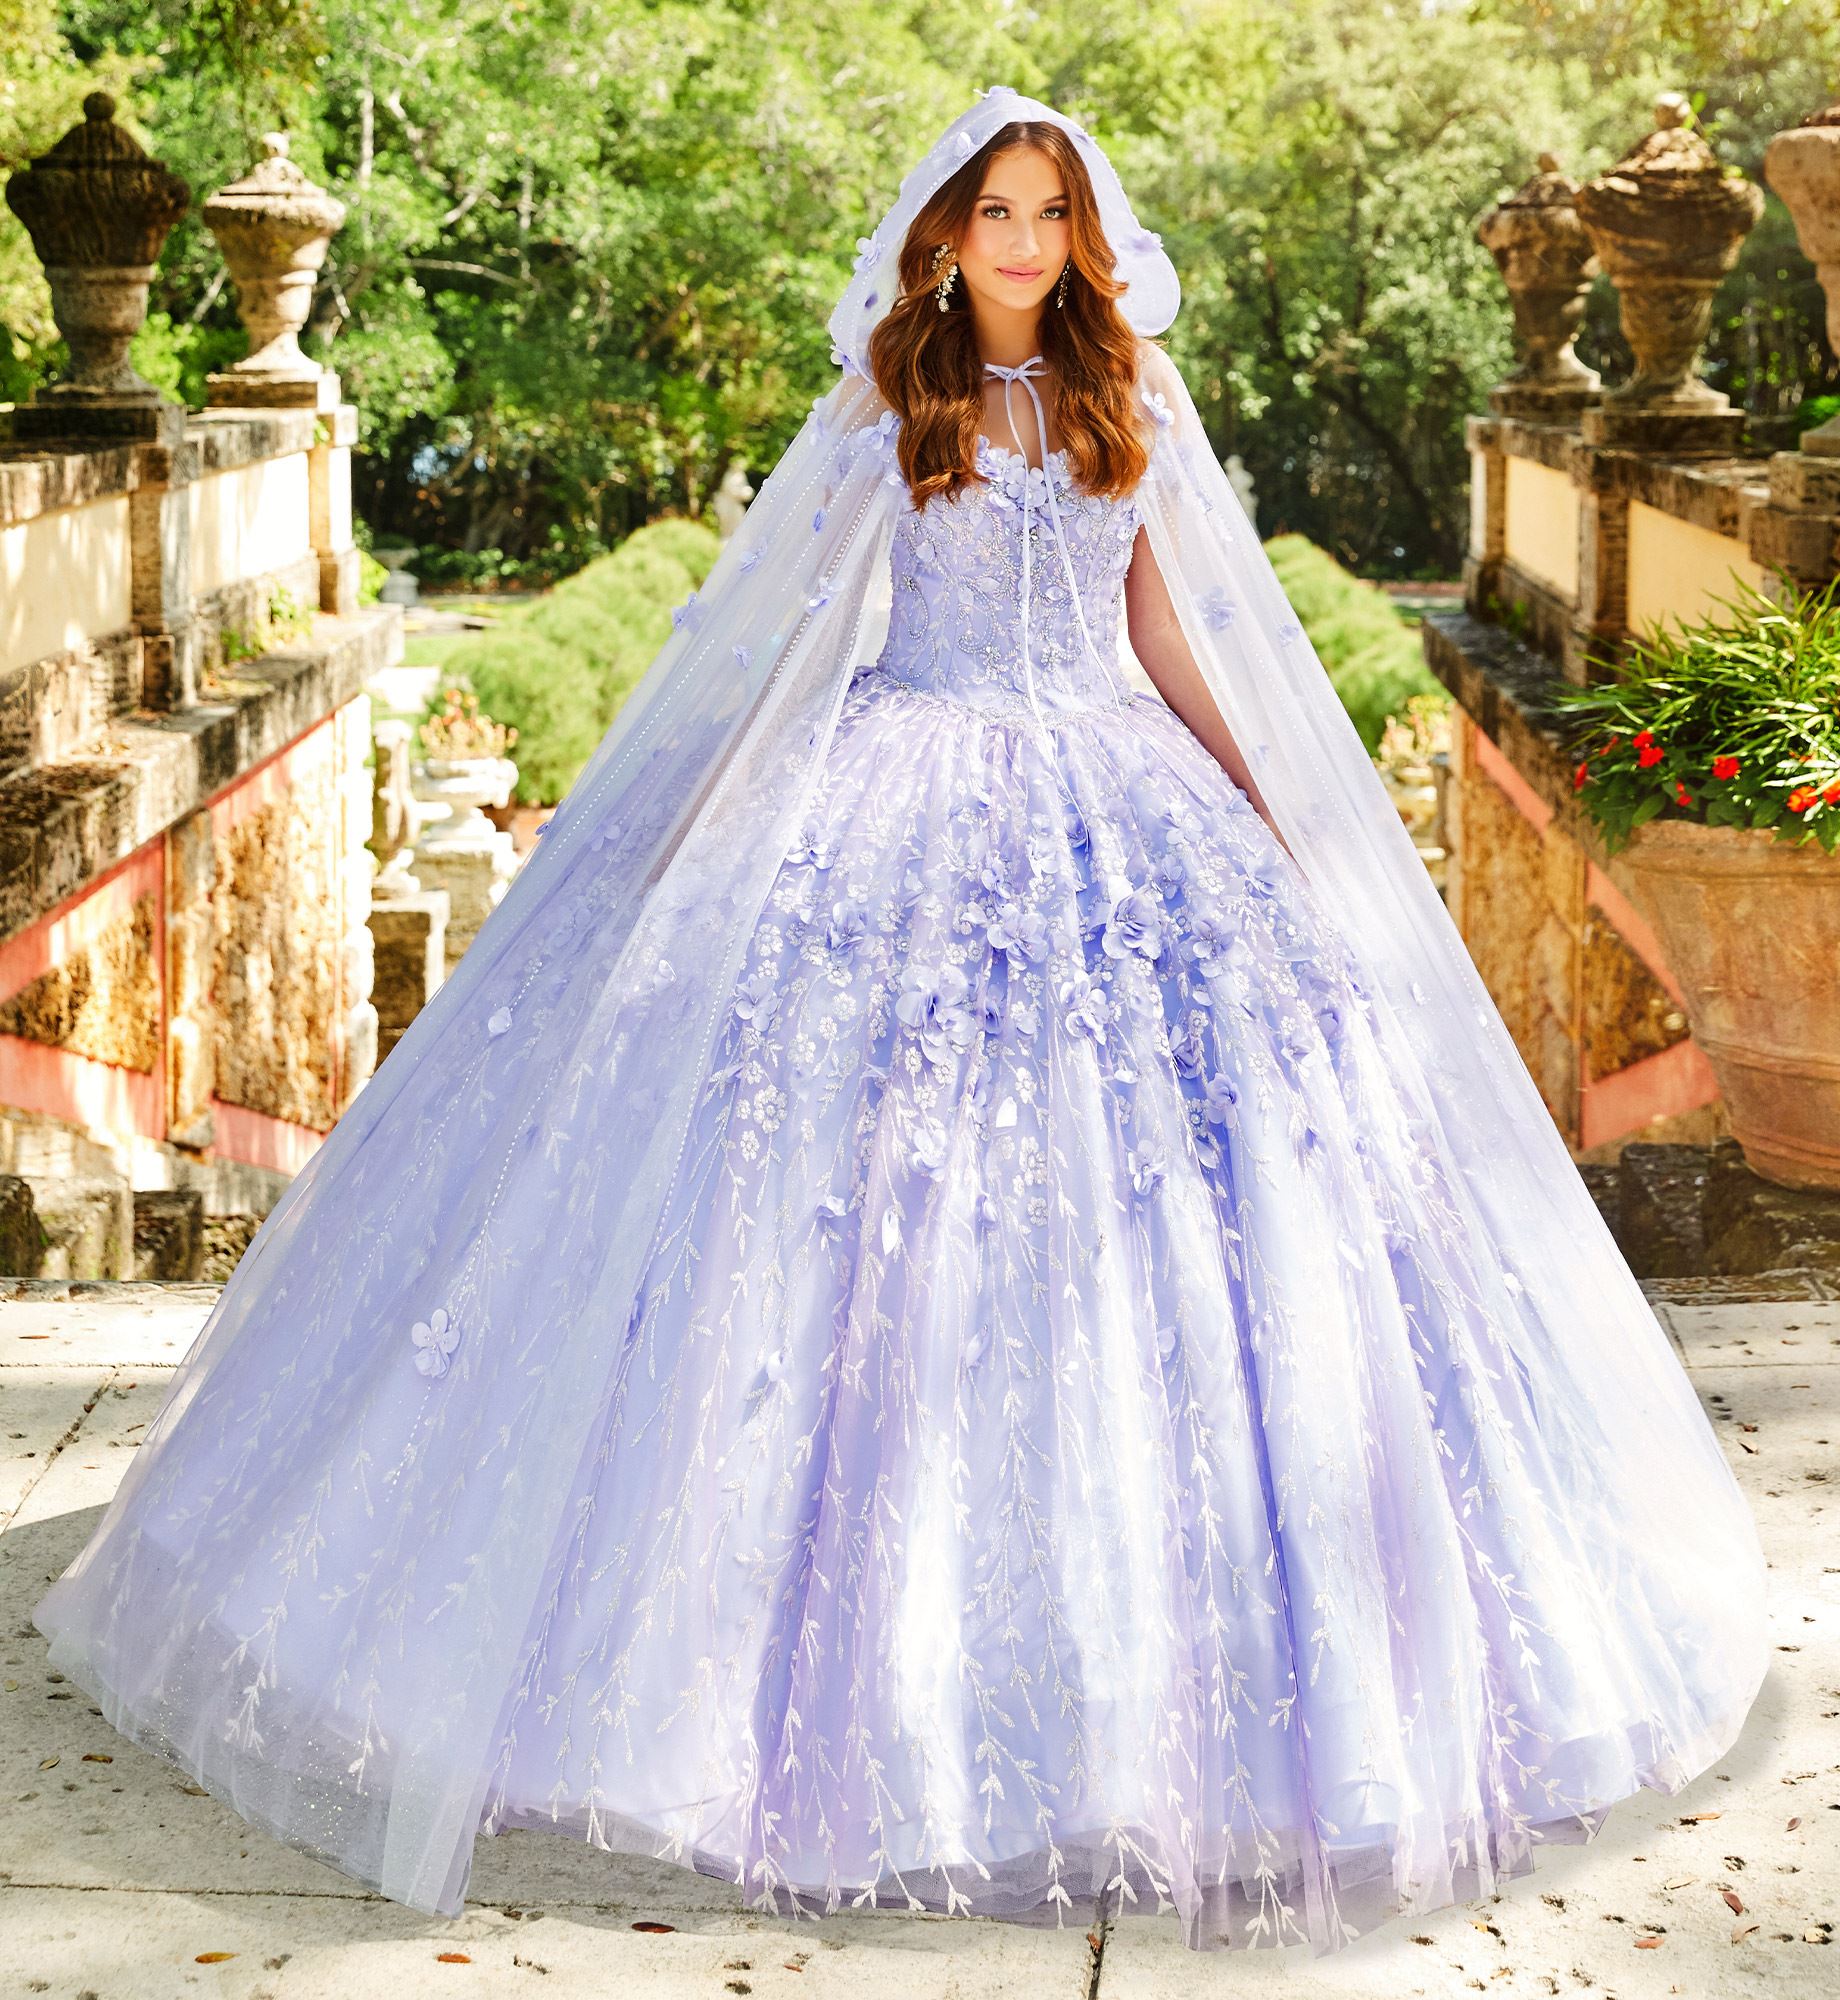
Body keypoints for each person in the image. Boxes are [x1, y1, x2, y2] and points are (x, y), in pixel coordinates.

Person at [35, 87, 1767, 1956]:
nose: (1023, 240)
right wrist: (687, 828)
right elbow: (795, 636)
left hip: (1120, 784)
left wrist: (1271, 809)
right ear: (943, 231)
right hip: (909, 786)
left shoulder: (1135, 401)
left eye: (1051, 211)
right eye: (996, 211)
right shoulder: (894, 403)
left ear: (1081, 233)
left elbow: (1171, 633)